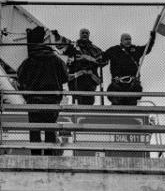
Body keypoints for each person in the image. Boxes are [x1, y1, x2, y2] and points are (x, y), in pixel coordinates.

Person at [17, 26, 68, 155]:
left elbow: (20, 76)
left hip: (34, 99)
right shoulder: (56, 60)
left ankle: (35, 155)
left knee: (34, 129)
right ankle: (49, 154)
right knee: (50, 127)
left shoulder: (29, 60)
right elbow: (65, 77)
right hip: (52, 99)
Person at [102, 30, 155, 105]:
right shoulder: (114, 50)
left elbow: (147, 48)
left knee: (132, 103)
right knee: (117, 104)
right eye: (126, 39)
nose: (128, 41)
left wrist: (152, 38)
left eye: (129, 39)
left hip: (132, 84)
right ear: (121, 40)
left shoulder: (135, 50)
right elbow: (102, 58)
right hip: (118, 84)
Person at [63, 28, 106, 106]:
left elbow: (104, 61)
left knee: (89, 102)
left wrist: (88, 58)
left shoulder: (95, 49)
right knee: (76, 101)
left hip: (90, 79)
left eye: (86, 33)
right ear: (80, 34)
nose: (84, 34)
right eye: (83, 33)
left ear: (89, 35)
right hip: (75, 78)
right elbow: (63, 59)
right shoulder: (72, 47)